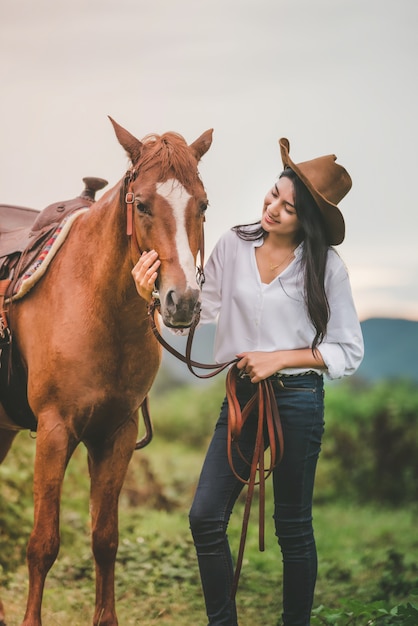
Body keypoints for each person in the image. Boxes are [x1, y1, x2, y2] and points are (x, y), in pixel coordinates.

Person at [132, 137, 364, 626]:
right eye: (273, 195)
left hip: (299, 398)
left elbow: (348, 351)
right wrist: (150, 297)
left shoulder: (326, 268)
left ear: (309, 223)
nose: (273, 209)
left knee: (292, 526)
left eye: (289, 207)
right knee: (205, 517)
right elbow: (199, 313)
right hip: (241, 396)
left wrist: (279, 358)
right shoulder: (233, 245)